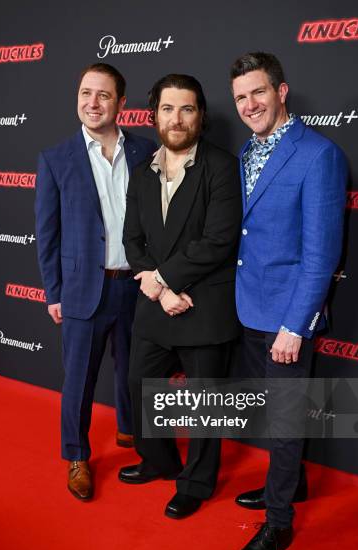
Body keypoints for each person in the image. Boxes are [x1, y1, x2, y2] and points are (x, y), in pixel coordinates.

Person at [230, 52, 348, 550]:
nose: (249, 104)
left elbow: (321, 255)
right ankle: (293, 483)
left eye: (258, 92)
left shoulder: (318, 154)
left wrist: (294, 326)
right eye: (239, 98)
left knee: (284, 423)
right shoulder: (244, 152)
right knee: (273, 413)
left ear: (281, 92)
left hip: (285, 320)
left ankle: (278, 525)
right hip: (247, 308)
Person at [119, 74, 242, 519]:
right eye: (168, 108)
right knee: (140, 386)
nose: (177, 118)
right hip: (155, 303)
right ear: (154, 115)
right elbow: (132, 240)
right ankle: (160, 460)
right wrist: (154, 285)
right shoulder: (141, 173)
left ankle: (196, 483)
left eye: (187, 108)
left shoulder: (223, 166)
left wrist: (164, 281)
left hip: (203, 303)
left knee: (205, 403)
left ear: (201, 115)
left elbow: (218, 240)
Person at [35, 63, 157, 501]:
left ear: (122, 103)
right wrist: (54, 291)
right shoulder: (55, 159)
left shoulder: (147, 152)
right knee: (79, 381)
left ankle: (133, 435)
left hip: (138, 287)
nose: (92, 103)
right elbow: (46, 233)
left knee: (135, 373)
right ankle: (77, 456)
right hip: (84, 289)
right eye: (86, 93)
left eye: (103, 95)